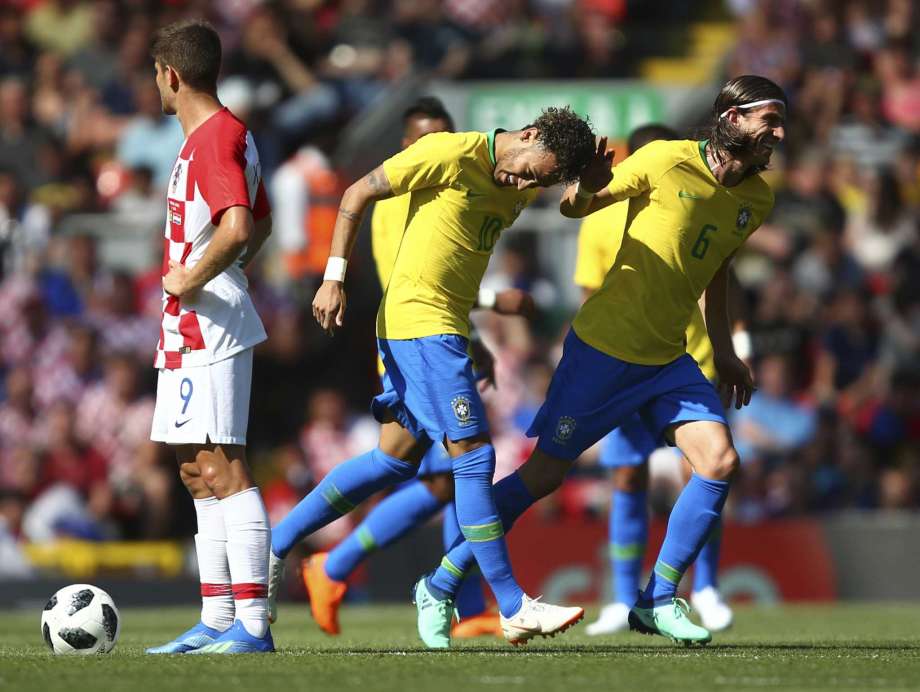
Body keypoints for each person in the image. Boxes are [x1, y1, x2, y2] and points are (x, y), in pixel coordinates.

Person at [416, 75, 785, 647]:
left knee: (719, 461)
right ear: (734, 119)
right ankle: (439, 583)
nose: (779, 133)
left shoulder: (757, 198)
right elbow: (572, 207)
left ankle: (657, 597)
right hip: (604, 353)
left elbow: (718, 270)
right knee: (542, 477)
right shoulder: (664, 161)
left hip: (669, 358)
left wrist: (728, 352)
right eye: (770, 120)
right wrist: (588, 187)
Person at [269, 105, 598, 648]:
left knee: (394, 459)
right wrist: (333, 280)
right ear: (530, 134)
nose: (524, 183)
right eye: (531, 171)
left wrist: (585, 186)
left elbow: (454, 263)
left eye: (537, 181)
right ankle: (507, 604)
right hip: (421, 324)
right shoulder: (448, 154)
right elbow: (354, 194)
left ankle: (275, 546)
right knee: (472, 458)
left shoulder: (515, 183)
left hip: (441, 328)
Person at [143, 20, 275, 655]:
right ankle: (218, 618)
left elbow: (241, 226)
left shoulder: (214, 139)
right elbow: (263, 225)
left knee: (224, 465)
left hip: (208, 321)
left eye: (156, 75)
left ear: (170, 74)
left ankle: (252, 627)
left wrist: (193, 278)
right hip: (189, 322)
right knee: (195, 469)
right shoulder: (219, 135)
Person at [580, 124, 737, 636]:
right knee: (627, 476)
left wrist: (729, 348)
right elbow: (589, 294)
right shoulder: (600, 217)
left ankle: (705, 587)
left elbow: (718, 280)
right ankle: (624, 597)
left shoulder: (700, 206)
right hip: (624, 362)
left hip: (689, 359)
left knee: (705, 470)